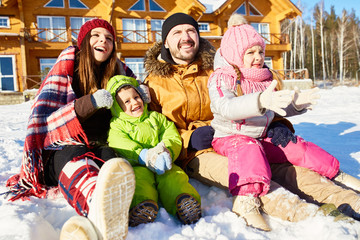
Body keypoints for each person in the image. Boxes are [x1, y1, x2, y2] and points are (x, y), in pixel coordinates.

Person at [144, 12, 360, 231]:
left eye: (191, 30)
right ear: (166, 41)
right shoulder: (155, 82)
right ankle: (309, 214)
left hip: (244, 133)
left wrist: (277, 123)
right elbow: (154, 128)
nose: (186, 36)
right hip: (197, 152)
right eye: (177, 32)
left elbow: (256, 97)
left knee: (289, 169)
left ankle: (349, 202)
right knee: (253, 176)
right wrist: (189, 138)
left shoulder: (222, 66)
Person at [207, 13, 350, 230]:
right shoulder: (222, 77)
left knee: (295, 145)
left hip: (262, 134)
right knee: (249, 149)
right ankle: (245, 199)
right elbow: (225, 107)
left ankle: (335, 173)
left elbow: (276, 107)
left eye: (260, 52)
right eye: (250, 52)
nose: (258, 57)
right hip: (230, 137)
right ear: (237, 54)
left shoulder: (263, 76)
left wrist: (296, 105)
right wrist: (260, 100)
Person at [6, 18, 136, 240]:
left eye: (109, 39)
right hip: (60, 151)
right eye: (96, 36)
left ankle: (100, 213)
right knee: (76, 155)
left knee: (111, 159)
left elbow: (135, 106)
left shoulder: (120, 72)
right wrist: (90, 103)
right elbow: (45, 121)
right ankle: (98, 204)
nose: (103, 41)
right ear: (84, 41)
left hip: (99, 146)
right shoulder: (67, 67)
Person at [106, 75, 201, 226]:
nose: (135, 102)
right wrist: (143, 155)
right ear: (118, 107)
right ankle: (143, 206)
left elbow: (171, 135)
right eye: (127, 101)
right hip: (138, 166)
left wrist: (168, 151)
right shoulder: (117, 125)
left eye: (136, 96)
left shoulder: (155, 117)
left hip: (162, 162)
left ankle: (185, 202)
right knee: (139, 182)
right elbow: (119, 144)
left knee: (174, 177)